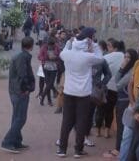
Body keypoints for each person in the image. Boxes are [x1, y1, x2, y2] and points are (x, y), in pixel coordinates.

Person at [57, 27, 103, 158]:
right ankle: (78, 150)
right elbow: (100, 58)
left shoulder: (67, 54)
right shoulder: (88, 56)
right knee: (81, 121)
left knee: (66, 121)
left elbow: (63, 51)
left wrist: (69, 43)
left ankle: (62, 149)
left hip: (69, 91)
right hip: (83, 94)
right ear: (88, 40)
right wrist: (93, 44)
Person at [1, 37, 35, 153]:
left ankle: (16, 141)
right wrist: (26, 88)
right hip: (19, 91)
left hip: (15, 90)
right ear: (31, 46)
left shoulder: (20, 56)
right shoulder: (22, 57)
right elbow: (23, 75)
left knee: (17, 117)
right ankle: (7, 141)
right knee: (20, 118)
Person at [103, 48, 138, 159]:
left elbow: (118, 84)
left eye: (129, 57)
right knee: (120, 125)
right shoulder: (127, 69)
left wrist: (121, 69)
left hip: (126, 101)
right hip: (121, 100)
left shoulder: (132, 70)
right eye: (125, 57)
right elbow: (116, 80)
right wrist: (122, 69)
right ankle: (119, 149)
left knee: (123, 127)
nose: (126, 59)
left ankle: (118, 150)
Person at [98, 38, 125, 138]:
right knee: (110, 110)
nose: (107, 48)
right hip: (117, 87)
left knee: (100, 109)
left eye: (109, 46)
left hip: (105, 86)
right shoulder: (124, 56)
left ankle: (98, 130)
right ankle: (107, 131)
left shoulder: (107, 57)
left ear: (115, 47)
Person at [38, 37, 60, 106]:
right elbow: (39, 56)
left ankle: (42, 98)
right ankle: (49, 100)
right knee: (48, 83)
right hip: (46, 66)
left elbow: (60, 55)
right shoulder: (44, 47)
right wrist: (46, 57)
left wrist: (55, 57)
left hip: (54, 67)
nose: (51, 46)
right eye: (49, 45)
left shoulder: (56, 47)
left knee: (50, 83)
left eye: (52, 45)